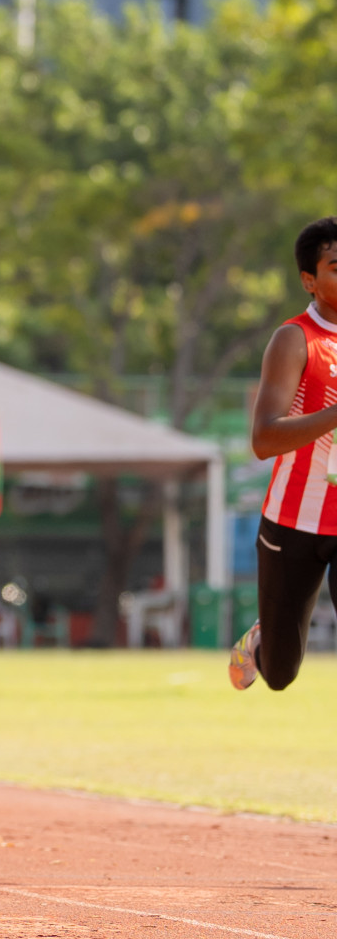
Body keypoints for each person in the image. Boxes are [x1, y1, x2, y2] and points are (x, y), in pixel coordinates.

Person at [233, 216, 337, 692]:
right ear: (309, 280)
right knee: (279, 674)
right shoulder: (294, 340)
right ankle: (261, 642)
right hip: (293, 520)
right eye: (336, 267)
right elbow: (264, 439)